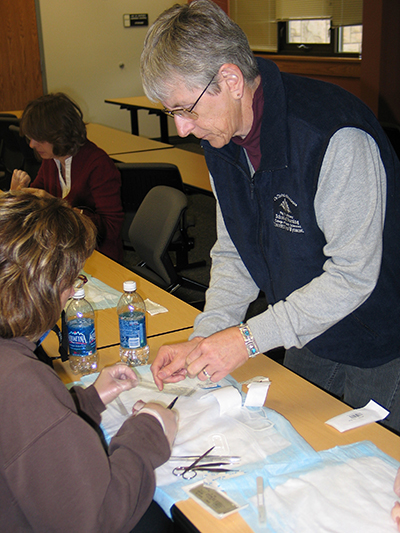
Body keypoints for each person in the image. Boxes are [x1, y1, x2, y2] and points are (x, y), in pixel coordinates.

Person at [141, 0, 400, 433]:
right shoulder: (220, 138)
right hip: (306, 328)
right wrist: (206, 336)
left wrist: (246, 339)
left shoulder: (332, 135)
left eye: (186, 109)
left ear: (230, 79)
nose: (182, 130)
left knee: (366, 470)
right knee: (291, 442)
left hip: (378, 337)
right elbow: (234, 251)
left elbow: (354, 276)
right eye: (173, 113)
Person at [0, 190, 177, 532]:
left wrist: (87, 401)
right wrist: (151, 429)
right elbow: (96, 520)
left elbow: (26, 432)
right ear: (47, 287)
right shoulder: (20, 379)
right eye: (72, 280)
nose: (70, 292)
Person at [10, 92, 124, 263]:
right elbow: (37, 210)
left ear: (59, 134)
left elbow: (111, 229)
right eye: (31, 138)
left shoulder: (98, 164)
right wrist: (17, 194)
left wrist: (58, 206)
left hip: (97, 255)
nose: (32, 145)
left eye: (38, 139)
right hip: (63, 249)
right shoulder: (52, 159)